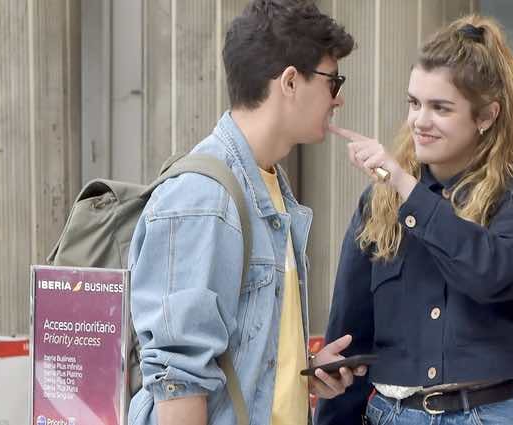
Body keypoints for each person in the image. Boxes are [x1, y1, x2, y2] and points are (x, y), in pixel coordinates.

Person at [127, 2, 363, 424]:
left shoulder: (269, 185)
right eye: (333, 81)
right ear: (290, 81)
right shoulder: (204, 199)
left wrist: (301, 373)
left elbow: (241, 354)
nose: (338, 98)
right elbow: (178, 381)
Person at [315, 14, 513, 425]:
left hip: (490, 413)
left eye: (440, 108)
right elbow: (349, 335)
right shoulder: (379, 201)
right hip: (393, 412)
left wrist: (407, 188)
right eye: (414, 103)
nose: (420, 121)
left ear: (486, 116)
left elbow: (492, 273)